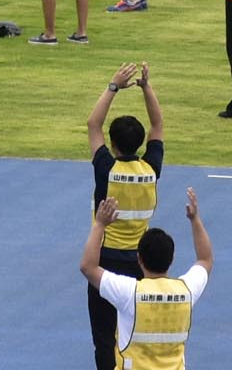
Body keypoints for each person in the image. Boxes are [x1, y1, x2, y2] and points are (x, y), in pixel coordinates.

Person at [83, 63, 167, 370]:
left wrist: (113, 86)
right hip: (140, 264)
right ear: (141, 144)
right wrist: (147, 88)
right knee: (134, 330)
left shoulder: (107, 169)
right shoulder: (150, 170)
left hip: (106, 262)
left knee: (104, 336)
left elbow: (93, 124)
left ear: (113, 145)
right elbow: (158, 125)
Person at [78, 185, 211, 370]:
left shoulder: (129, 293)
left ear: (139, 259)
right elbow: (205, 260)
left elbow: (88, 267)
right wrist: (195, 219)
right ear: (171, 259)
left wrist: (99, 224)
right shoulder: (187, 291)